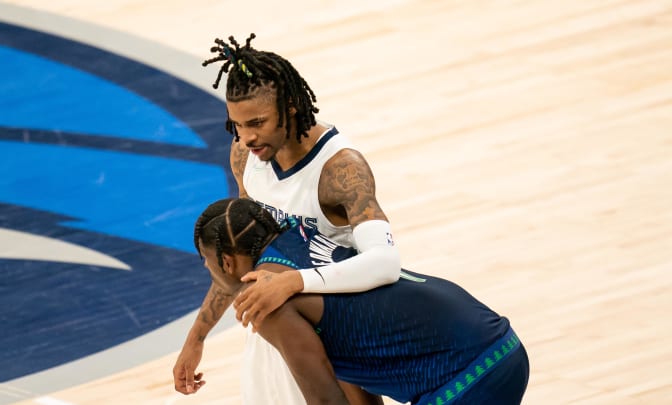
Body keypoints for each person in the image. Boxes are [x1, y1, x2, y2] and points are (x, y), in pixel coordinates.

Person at [173, 34, 401, 404]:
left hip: (336, 343)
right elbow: (241, 262)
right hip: (274, 331)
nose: (246, 137)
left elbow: (386, 263)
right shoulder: (245, 157)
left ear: (291, 106)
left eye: (257, 123)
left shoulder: (341, 169)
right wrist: (196, 339)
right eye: (238, 125)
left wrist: (292, 282)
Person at [195, 198, 530, 405]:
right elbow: (351, 365)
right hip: (493, 341)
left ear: (226, 262)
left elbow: (326, 399)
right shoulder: (295, 235)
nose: (209, 271)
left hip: (462, 375)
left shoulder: (267, 301)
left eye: (206, 262)